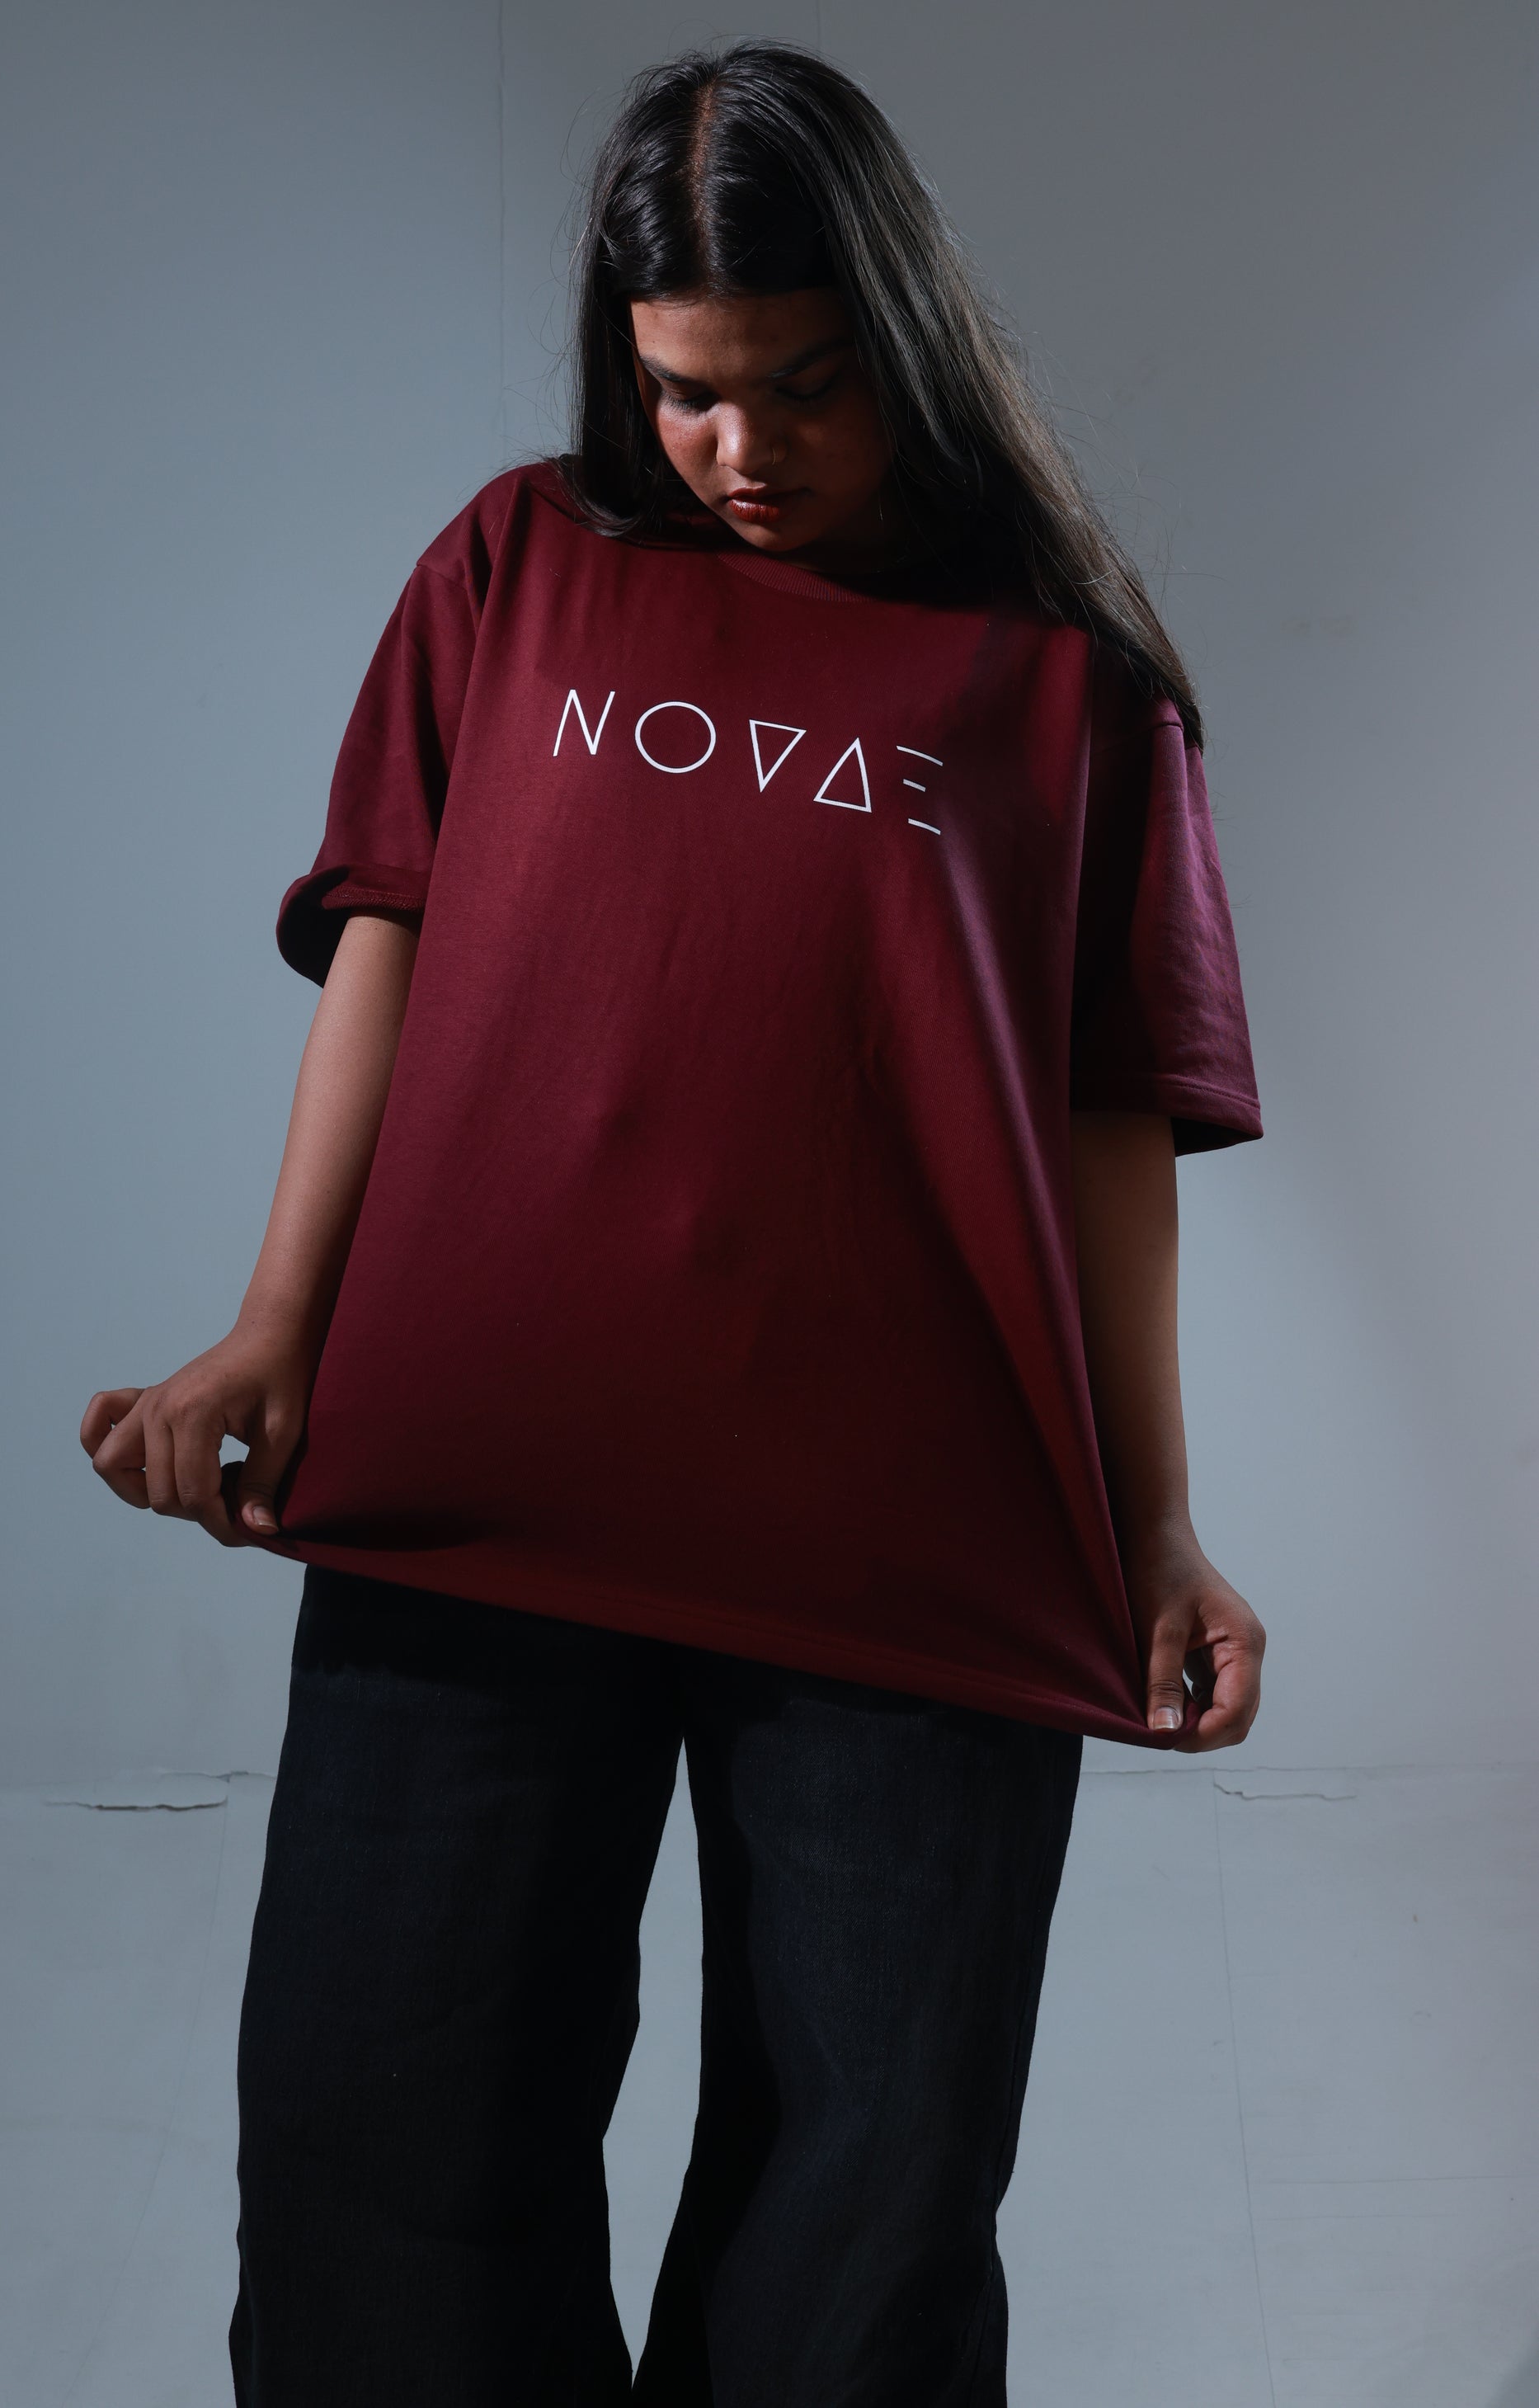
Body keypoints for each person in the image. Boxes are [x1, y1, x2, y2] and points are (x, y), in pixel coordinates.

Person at [81, 38, 1266, 2407]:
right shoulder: (514, 565)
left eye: (807, 384)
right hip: (480, 1479)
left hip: (913, 1521)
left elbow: (1109, 1122)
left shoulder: (1067, 675)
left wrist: (1152, 1526)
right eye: (687, 390)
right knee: (382, 2132)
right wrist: (272, 1330)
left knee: (874, 2195)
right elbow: (391, 944)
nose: (744, 448)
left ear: (904, 336)